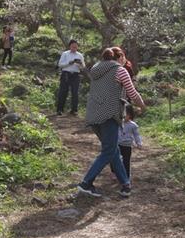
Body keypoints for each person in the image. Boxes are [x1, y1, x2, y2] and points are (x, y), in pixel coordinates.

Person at [77, 46, 145, 198]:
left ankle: (125, 185)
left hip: (93, 115)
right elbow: (132, 92)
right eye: (123, 57)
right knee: (109, 151)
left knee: (113, 150)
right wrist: (142, 106)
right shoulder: (120, 70)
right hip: (109, 115)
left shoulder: (95, 68)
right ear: (119, 58)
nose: (125, 60)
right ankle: (86, 183)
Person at [56, 39, 84, 115]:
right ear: (69, 46)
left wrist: (80, 64)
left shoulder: (80, 55)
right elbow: (60, 65)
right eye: (73, 47)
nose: (74, 48)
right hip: (66, 74)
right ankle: (60, 109)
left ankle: (74, 110)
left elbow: (83, 67)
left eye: (76, 47)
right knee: (63, 91)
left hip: (76, 75)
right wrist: (69, 63)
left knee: (75, 92)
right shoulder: (65, 54)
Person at [118, 104, 143, 181]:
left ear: (130, 115)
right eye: (122, 114)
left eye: (126, 114)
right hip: (117, 145)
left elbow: (136, 135)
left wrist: (139, 143)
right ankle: (116, 172)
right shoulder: (118, 123)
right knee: (115, 160)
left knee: (126, 162)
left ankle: (126, 177)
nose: (124, 116)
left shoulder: (133, 125)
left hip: (127, 146)